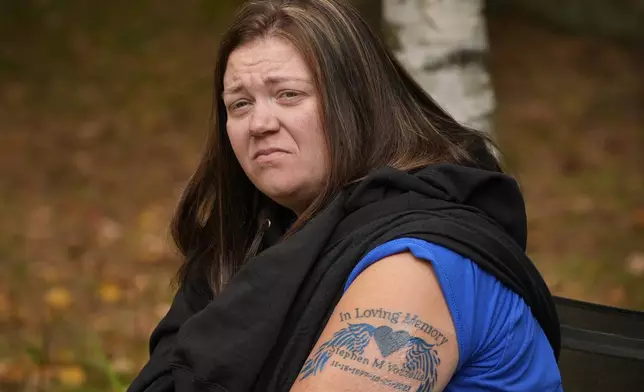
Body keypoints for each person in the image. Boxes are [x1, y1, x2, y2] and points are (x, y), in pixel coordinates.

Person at [128, 0, 563, 391]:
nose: (260, 123)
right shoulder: (260, 243)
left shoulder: (417, 261)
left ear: (357, 105)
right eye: (240, 104)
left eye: (288, 95)